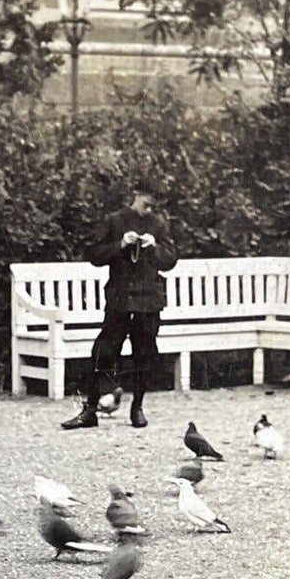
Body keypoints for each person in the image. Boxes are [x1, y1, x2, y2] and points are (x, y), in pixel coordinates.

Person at [61, 182, 178, 430]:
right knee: (102, 353)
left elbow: (170, 260)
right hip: (120, 300)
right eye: (146, 202)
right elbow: (94, 255)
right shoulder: (114, 221)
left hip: (148, 301)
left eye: (153, 204)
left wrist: (154, 246)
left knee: (144, 355)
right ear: (136, 195)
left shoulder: (158, 224)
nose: (149, 208)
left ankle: (138, 408)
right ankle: (90, 410)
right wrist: (120, 245)